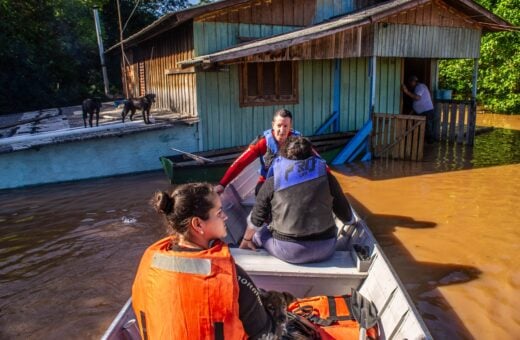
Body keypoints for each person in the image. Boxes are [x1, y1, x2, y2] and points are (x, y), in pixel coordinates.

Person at [131, 183, 275, 339]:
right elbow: (265, 334)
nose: (225, 216)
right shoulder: (231, 278)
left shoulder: (152, 265)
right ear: (198, 224)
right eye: (219, 213)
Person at [239, 136, 355, 264]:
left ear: (283, 156)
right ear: (311, 154)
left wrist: (246, 240)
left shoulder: (273, 181)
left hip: (290, 252)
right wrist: (351, 221)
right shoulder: (327, 177)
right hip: (326, 248)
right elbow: (347, 216)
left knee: (259, 234)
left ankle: (251, 246)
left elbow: (256, 219)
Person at [215, 108, 301, 196]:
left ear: (290, 126)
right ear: (273, 125)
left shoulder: (298, 141)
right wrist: (222, 184)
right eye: (279, 125)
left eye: (285, 126)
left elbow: (315, 158)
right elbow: (240, 163)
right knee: (261, 193)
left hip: (291, 180)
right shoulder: (262, 142)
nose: (282, 130)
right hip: (267, 181)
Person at [401, 75, 435, 143]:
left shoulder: (420, 87)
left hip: (427, 111)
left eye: (411, 82)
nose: (410, 84)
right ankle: (423, 142)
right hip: (422, 111)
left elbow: (417, 98)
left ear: (414, 81)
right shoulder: (417, 88)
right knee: (423, 127)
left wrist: (406, 92)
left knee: (427, 127)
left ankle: (429, 143)